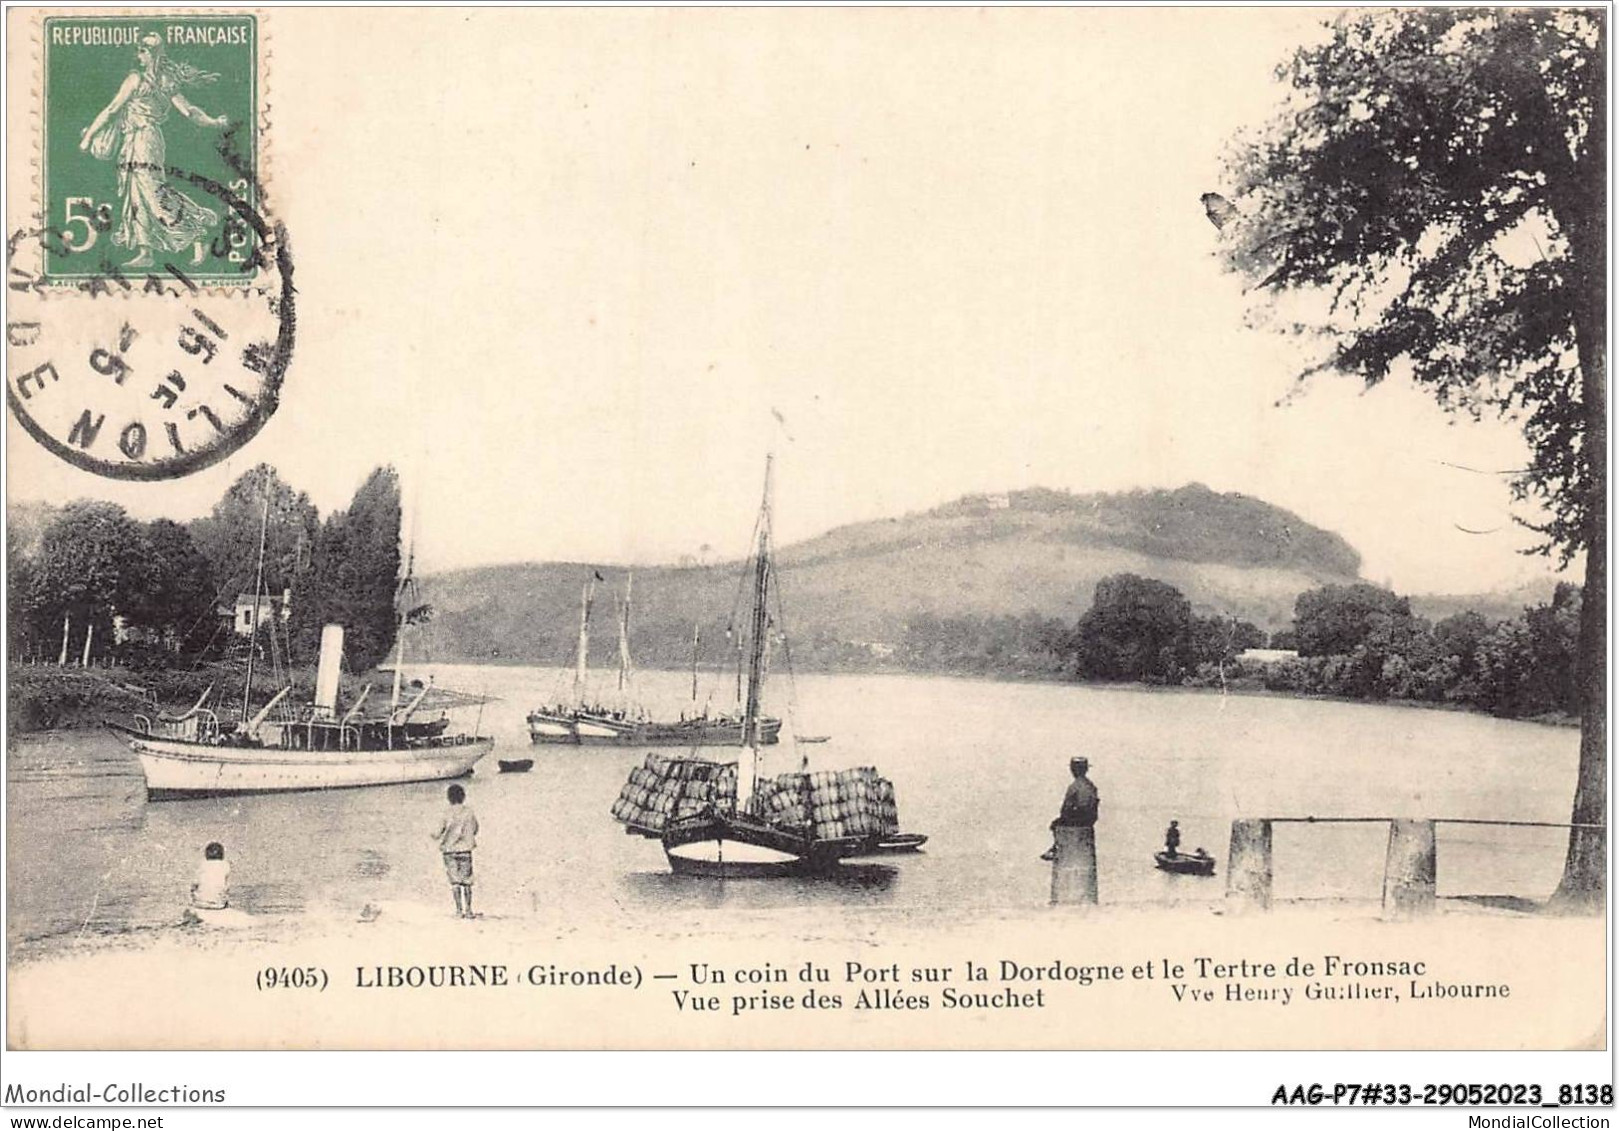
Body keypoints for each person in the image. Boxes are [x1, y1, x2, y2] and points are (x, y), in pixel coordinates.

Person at [78, 33, 230, 268]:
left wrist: (88, 137)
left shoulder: (137, 80)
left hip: (144, 140)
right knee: (136, 193)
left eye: (143, 50)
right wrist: (213, 122)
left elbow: (111, 109)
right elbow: (190, 111)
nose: (138, 54)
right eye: (139, 49)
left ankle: (195, 231)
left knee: (152, 192)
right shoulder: (164, 81)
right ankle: (145, 251)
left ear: (153, 54)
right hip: (137, 140)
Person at [431, 783, 479, 919]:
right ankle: (469, 910)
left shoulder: (446, 813)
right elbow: (475, 828)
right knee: (467, 881)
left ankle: (459, 911)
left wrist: (433, 836)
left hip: (449, 851)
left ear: (448, 798)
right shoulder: (469, 812)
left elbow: (438, 832)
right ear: (463, 797)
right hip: (465, 850)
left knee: (455, 882)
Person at [1041, 757, 1100, 861]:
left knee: (1055, 824)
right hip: (1090, 819)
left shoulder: (1075, 786)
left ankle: (1056, 848)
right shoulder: (1090, 785)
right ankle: (1056, 847)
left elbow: (1069, 806)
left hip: (1080, 818)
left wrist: (1065, 816)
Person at [191, 841, 230, 910]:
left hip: (200, 903)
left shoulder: (202, 865)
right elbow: (226, 886)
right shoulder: (225, 865)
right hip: (219, 904)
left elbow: (194, 884)